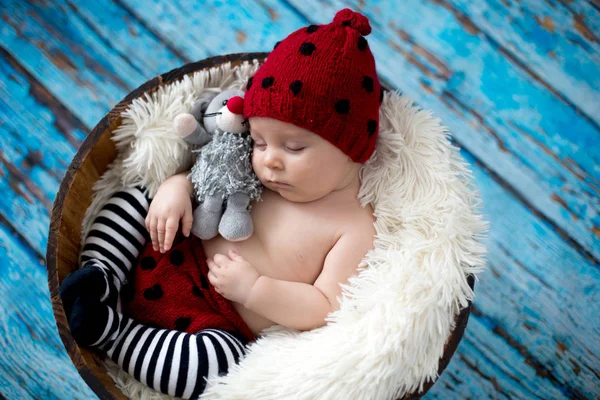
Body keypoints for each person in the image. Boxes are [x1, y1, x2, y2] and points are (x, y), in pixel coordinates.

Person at [60, 8, 382, 399]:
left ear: (351, 148)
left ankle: (112, 332)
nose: (269, 160)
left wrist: (254, 289)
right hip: (173, 241)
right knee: (141, 196)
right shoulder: (256, 161)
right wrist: (177, 187)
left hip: (213, 320)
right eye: (260, 140)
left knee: (219, 366)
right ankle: (102, 272)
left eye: (294, 147)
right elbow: (210, 175)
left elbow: (324, 305)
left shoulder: (354, 225)